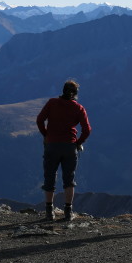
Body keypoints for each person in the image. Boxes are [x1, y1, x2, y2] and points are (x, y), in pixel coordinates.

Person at [36, 80, 91, 221]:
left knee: (49, 177)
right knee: (69, 179)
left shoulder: (52, 103)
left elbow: (40, 120)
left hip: (52, 145)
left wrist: (46, 135)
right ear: (76, 94)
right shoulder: (78, 108)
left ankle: (49, 211)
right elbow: (87, 129)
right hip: (69, 146)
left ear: (63, 90)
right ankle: (68, 211)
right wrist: (78, 142)